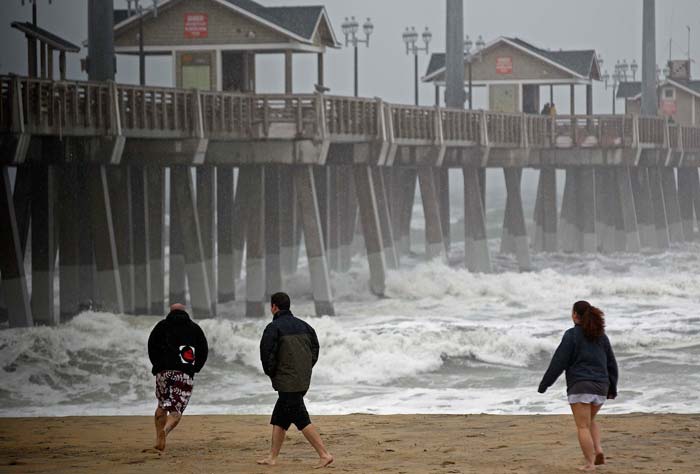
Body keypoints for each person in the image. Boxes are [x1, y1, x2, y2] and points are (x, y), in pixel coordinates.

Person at [538, 301, 618, 472]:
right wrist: (612, 388)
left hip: (581, 385)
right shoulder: (601, 336)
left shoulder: (571, 335)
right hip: (601, 386)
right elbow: (611, 363)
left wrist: (544, 384)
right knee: (590, 421)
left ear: (575, 315)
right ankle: (598, 450)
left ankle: (590, 463)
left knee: (582, 426)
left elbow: (558, 362)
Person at [257, 292, 333, 469]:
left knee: (301, 418)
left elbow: (266, 355)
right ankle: (272, 457)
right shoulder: (305, 326)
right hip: (301, 378)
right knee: (280, 418)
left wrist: (273, 373)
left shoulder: (273, 328)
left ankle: (324, 454)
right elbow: (315, 351)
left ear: (274, 307)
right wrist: (304, 369)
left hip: (286, 381)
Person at [147, 303, 208, 452]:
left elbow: (151, 347)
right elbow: (203, 350)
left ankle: (158, 439)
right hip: (183, 373)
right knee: (175, 410)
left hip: (163, 372)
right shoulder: (194, 328)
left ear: (171, 312)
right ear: (184, 311)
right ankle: (165, 431)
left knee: (162, 405)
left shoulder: (160, 326)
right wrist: (195, 368)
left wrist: (158, 365)